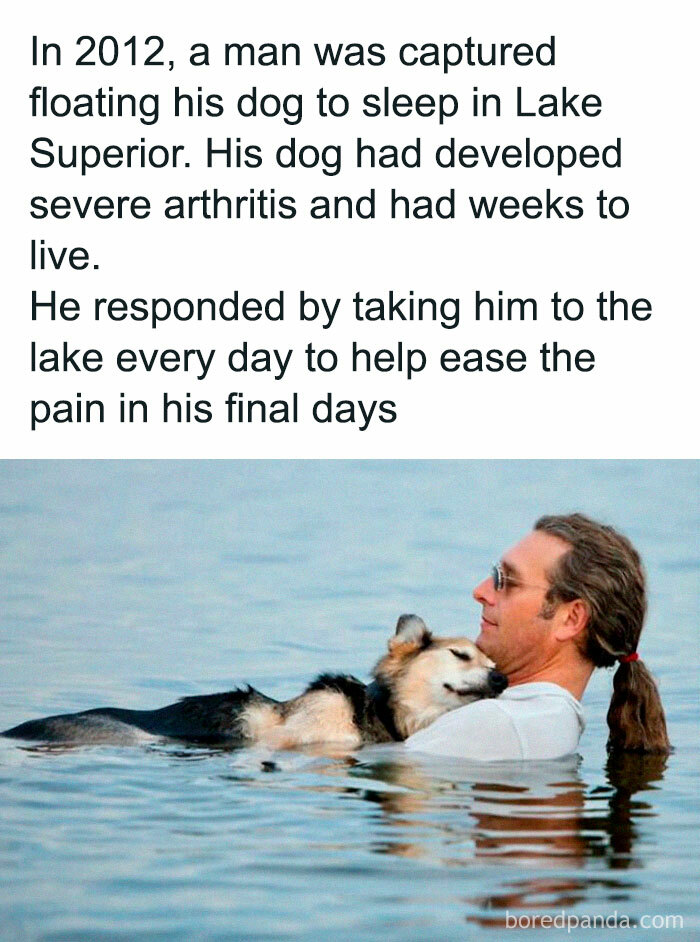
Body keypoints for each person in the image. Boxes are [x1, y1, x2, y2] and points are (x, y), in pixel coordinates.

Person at [405, 513, 670, 761]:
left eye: (507, 581)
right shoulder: (543, 719)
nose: (481, 591)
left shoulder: (500, 723)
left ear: (571, 619)